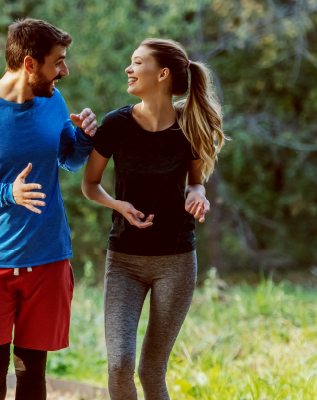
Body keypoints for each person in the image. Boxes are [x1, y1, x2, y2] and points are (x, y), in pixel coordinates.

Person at [0, 18, 98, 400]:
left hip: (47, 256)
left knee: (32, 372)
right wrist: (6, 193)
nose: (64, 70)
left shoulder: (53, 101)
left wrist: (84, 139)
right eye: (58, 62)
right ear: (30, 64)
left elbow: (68, 159)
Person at [81, 38, 226, 400]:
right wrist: (119, 206)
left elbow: (197, 183)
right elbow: (90, 184)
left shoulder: (189, 126)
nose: (129, 69)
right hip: (124, 260)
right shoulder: (116, 124)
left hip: (176, 262)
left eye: (137, 62)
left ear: (162, 74)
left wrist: (197, 195)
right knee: (119, 366)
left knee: (150, 370)